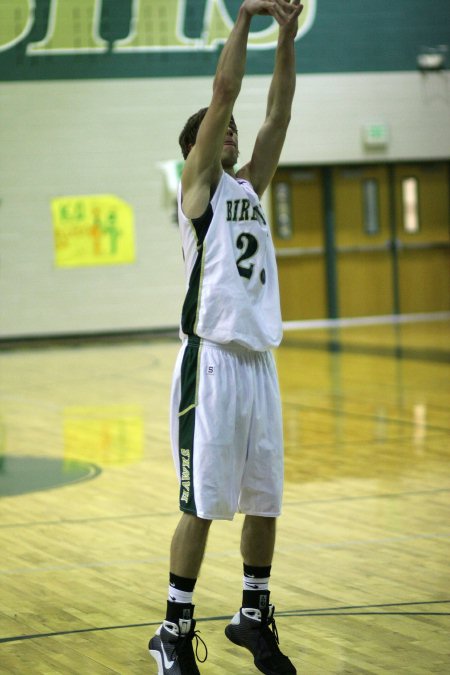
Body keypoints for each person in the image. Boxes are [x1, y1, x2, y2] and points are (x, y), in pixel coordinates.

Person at [149, 1, 303, 673]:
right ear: (200, 149)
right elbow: (226, 92)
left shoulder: (249, 188)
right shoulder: (197, 192)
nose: (235, 133)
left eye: (235, 132)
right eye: (222, 132)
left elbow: (277, 115)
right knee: (205, 502)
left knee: (264, 498)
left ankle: (252, 611)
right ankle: (173, 630)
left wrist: (289, 36)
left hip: (257, 361)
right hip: (208, 362)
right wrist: (245, 20)